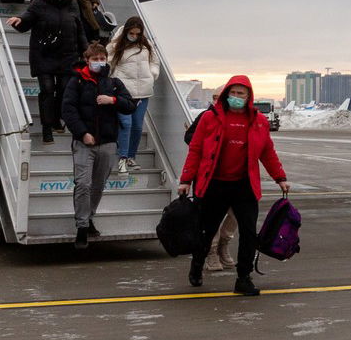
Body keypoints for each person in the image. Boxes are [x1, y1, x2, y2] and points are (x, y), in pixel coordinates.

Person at [179, 76, 289, 296]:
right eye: (233, 93)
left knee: (249, 234)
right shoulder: (210, 118)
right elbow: (196, 151)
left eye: (241, 94)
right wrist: (185, 180)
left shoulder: (258, 122)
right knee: (206, 230)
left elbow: (267, 152)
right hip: (214, 185)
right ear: (226, 94)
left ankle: (243, 277)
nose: (236, 97)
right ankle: (197, 265)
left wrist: (280, 177)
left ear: (249, 97)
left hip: (243, 186)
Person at [61, 41, 135, 249]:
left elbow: (130, 105)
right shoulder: (76, 81)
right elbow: (67, 109)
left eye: (102, 59)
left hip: (108, 142)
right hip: (84, 143)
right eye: (95, 59)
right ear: (87, 60)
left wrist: (113, 100)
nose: (99, 63)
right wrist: (82, 133)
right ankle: (82, 227)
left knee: (98, 185)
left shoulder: (114, 83)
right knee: (83, 184)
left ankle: (89, 216)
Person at [6, 0, 87, 144]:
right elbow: (27, 20)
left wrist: (85, 51)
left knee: (65, 89)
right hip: (44, 55)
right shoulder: (38, 4)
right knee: (48, 90)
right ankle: (46, 127)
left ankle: (57, 118)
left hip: (67, 56)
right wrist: (18, 20)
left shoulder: (72, 5)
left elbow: (79, 30)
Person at [108, 16, 156, 172]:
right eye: (132, 33)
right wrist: (113, 82)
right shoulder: (115, 45)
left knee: (136, 126)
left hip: (143, 92)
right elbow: (108, 64)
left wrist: (152, 74)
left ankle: (131, 157)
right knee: (125, 124)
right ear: (127, 31)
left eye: (137, 34)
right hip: (123, 92)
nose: (134, 36)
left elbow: (155, 62)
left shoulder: (147, 45)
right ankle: (122, 157)